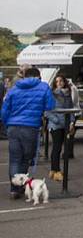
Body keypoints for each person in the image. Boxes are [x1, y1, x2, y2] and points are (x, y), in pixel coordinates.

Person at [1, 67, 55, 199]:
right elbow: (50, 105)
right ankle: (22, 185)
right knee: (26, 158)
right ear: (38, 76)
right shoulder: (43, 87)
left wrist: (8, 123)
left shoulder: (14, 88)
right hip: (30, 127)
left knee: (14, 159)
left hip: (13, 127)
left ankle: (14, 189)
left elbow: (4, 111)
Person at [46, 74, 77, 181]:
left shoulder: (68, 94)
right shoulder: (52, 95)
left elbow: (71, 109)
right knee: (57, 147)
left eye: (61, 81)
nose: (59, 83)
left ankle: (54, 170)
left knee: (65, 147)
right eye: (57, 81)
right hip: (56, 125)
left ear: (64, 82)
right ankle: (56, 170)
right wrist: (57, 120)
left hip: (66, 124)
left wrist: (72, 122)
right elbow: (47, 111)